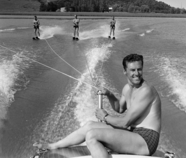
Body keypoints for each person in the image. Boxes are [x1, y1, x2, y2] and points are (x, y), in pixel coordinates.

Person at [33, 54, 161, 157]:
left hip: (146, 140)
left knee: (92, 136)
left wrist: (105, 116)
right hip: (133, 133)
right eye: (132, 70)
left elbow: (124, 122)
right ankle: (54, 145)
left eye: (139, 69)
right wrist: (109, 94)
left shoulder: (146, 91)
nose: (137, 73)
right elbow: (120, 109)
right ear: (125, 71)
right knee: (89, 125)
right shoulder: (128, 88)